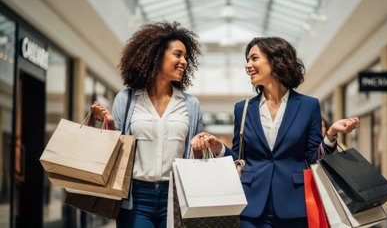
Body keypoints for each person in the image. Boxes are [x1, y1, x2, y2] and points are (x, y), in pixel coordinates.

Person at [191, 37, 359, 227]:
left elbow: (314, 158)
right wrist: (219, 147)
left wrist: (331, 135)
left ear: (275, 60)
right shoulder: (243, 108)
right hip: (252, 207)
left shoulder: (308, 106)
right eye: (247, 60)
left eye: (254, 58)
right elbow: (239, 157)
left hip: (295, 205)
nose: (248, 65)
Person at [90, 22, 203, 228]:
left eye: (186, 57)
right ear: (157, 55)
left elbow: (193, 157)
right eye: (178, 55)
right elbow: (113, 148)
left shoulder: (190, 105)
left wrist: (201, 145)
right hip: (135, 198)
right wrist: (111, 124)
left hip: (175, 196)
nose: (184, 61)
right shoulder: (126, 99)